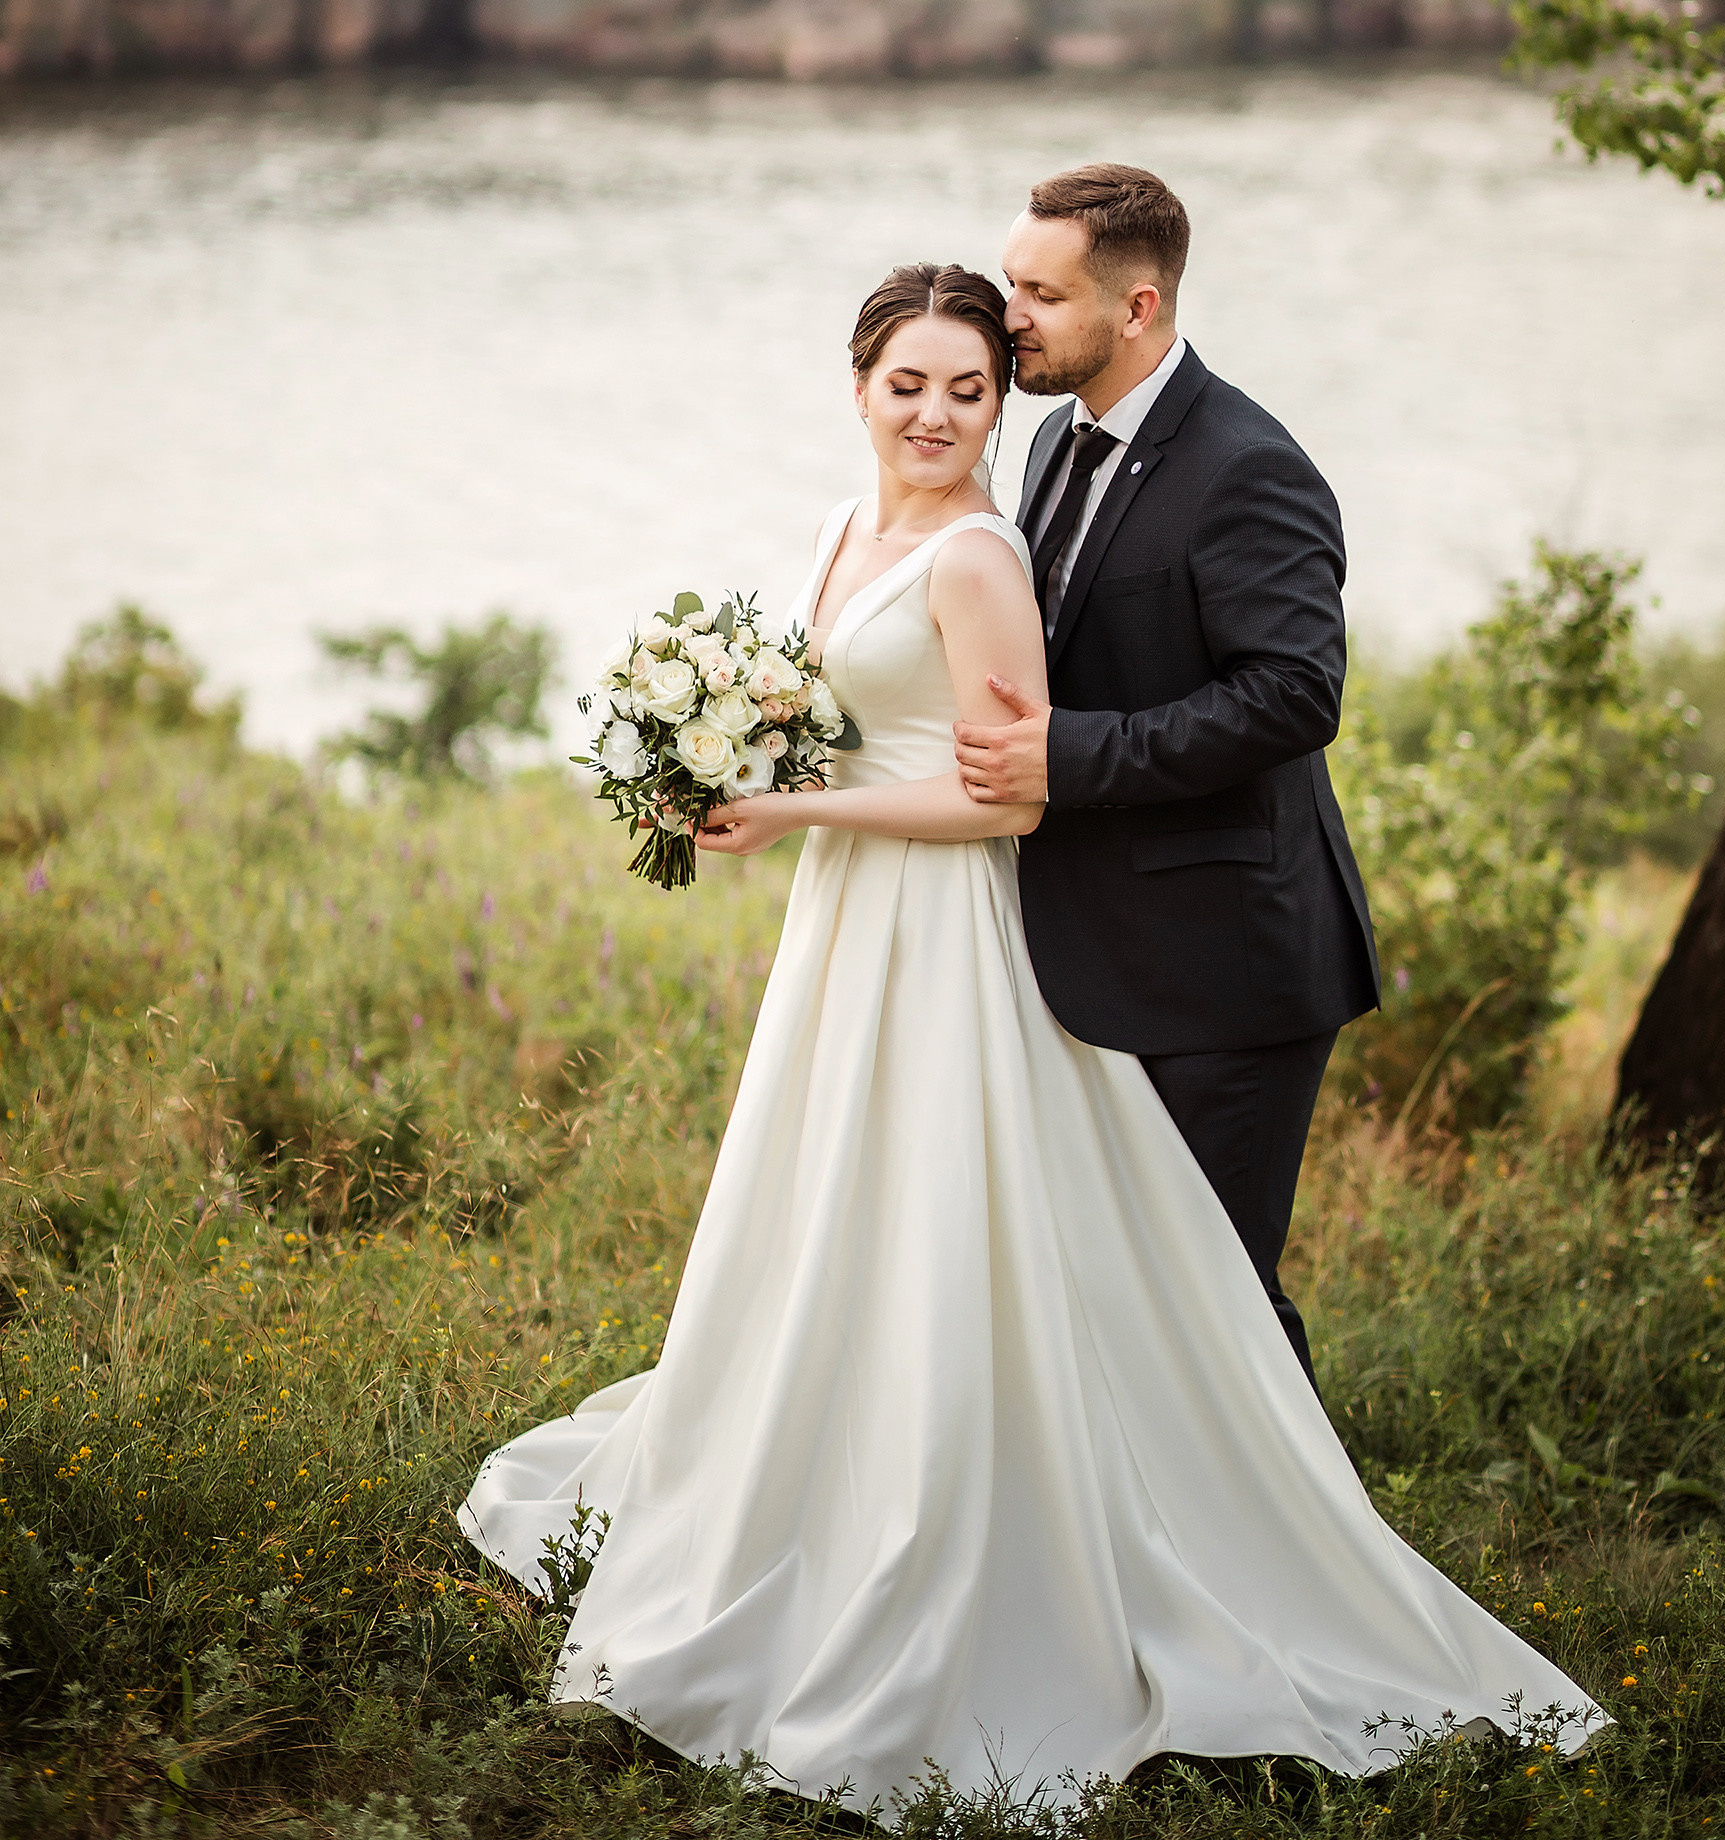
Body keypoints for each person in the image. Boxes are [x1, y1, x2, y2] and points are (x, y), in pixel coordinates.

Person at [457, 259, 1605, 1813]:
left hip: (941, 927)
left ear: (1003, 402)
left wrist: (791, 804)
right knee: (834, 1210)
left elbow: (1007, 791)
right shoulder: (846, 526)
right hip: (850, 927)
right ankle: (813, 1474)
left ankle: (1014, 1539)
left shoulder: (982, 556)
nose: (935, 414)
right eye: (907, 384)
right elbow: (842, 699)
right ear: (856, 383)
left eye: (969, 389)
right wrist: (727, 738)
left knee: (956, 1222)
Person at [955, 163, 1373, 1384]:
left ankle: (1307, 1560)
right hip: (1098, 953)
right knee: (1117, 1293)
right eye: (1007, 283)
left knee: (1217, 1307)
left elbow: (1296, 695)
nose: (1007, 314)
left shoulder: (1246, 466)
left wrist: (1070, 755)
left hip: (1226, 966)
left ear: (1136, 309)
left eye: (1037, 293)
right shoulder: (1049, 440)